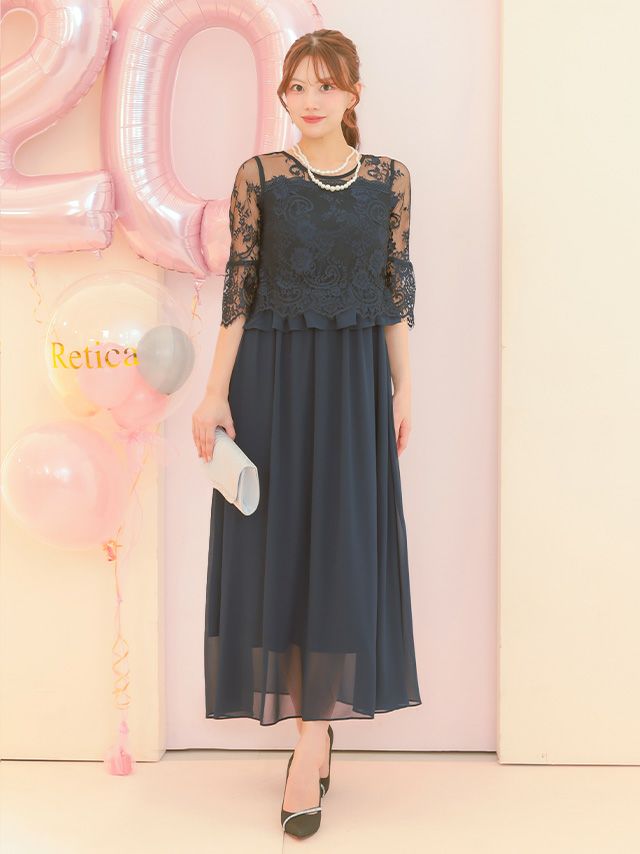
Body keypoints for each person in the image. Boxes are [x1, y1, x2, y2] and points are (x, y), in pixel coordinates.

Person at [192, 28, 422, 840]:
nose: (310, 100)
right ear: (284, 95)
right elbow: (240, 287)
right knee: (279, 546)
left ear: (354, 92)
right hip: (272, 380)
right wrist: (213, 393)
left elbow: (394, 288)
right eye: (297, 86)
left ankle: (314, 737)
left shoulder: (390, 180)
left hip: (355, 385)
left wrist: (404, 387)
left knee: (341, 548)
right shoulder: (260, 178)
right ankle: (309, 740)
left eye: (326, 85)